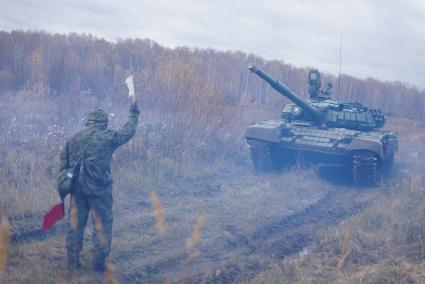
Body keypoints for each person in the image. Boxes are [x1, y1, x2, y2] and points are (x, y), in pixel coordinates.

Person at [59, 96, 139, 271]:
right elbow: (129, 130)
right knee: (102, 225)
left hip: (77, 192)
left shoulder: (72, 139)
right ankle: (98, 264)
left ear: (88, 122)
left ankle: (72, 263)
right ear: (104, 123)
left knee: (74, 227)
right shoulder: (108, 137)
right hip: (100, 192)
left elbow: (63, 168)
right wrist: (134, 111)